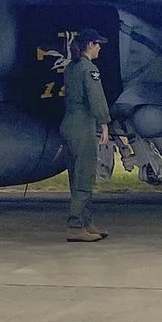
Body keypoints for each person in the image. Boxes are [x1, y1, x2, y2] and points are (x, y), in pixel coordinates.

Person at [60, 34, 112, 242]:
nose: (100, 49)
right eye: (98, 44)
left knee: (75, 174)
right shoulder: (89, 69)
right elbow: (96, 98)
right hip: (83, 125)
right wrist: (105, 122)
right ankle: (75, 224)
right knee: (84, 175)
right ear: (90, 45)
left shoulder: (71, 67)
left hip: (69, 123)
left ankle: (85, 221)